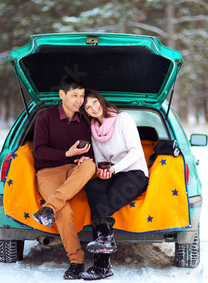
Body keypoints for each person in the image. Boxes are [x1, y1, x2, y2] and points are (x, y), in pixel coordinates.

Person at [76, 89, 149, 280]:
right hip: (113, 173)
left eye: (94, 102)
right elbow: (101, 158)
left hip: (134, 173)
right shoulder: (94, 129)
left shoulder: (123, 119)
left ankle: (102, 266)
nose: (93, 108)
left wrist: (114, 169)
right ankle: (106, 238)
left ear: (101, 100)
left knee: (100, 206)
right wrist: (102, 171)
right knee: (92, 188)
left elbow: (136, 152)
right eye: (87, 107)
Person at [31, 78, 96, 280]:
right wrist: (67, 154)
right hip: (49, 172)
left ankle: (49, 207)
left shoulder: (85, 120)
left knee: (90, 165)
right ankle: (76, 261)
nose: (79, 100)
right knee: (64, 210)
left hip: (75, 171)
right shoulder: (45, 117)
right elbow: (39, 151)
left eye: (82, 96)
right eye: (74, 95)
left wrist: (86, 156)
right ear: (62, 95)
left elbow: (92, 150)